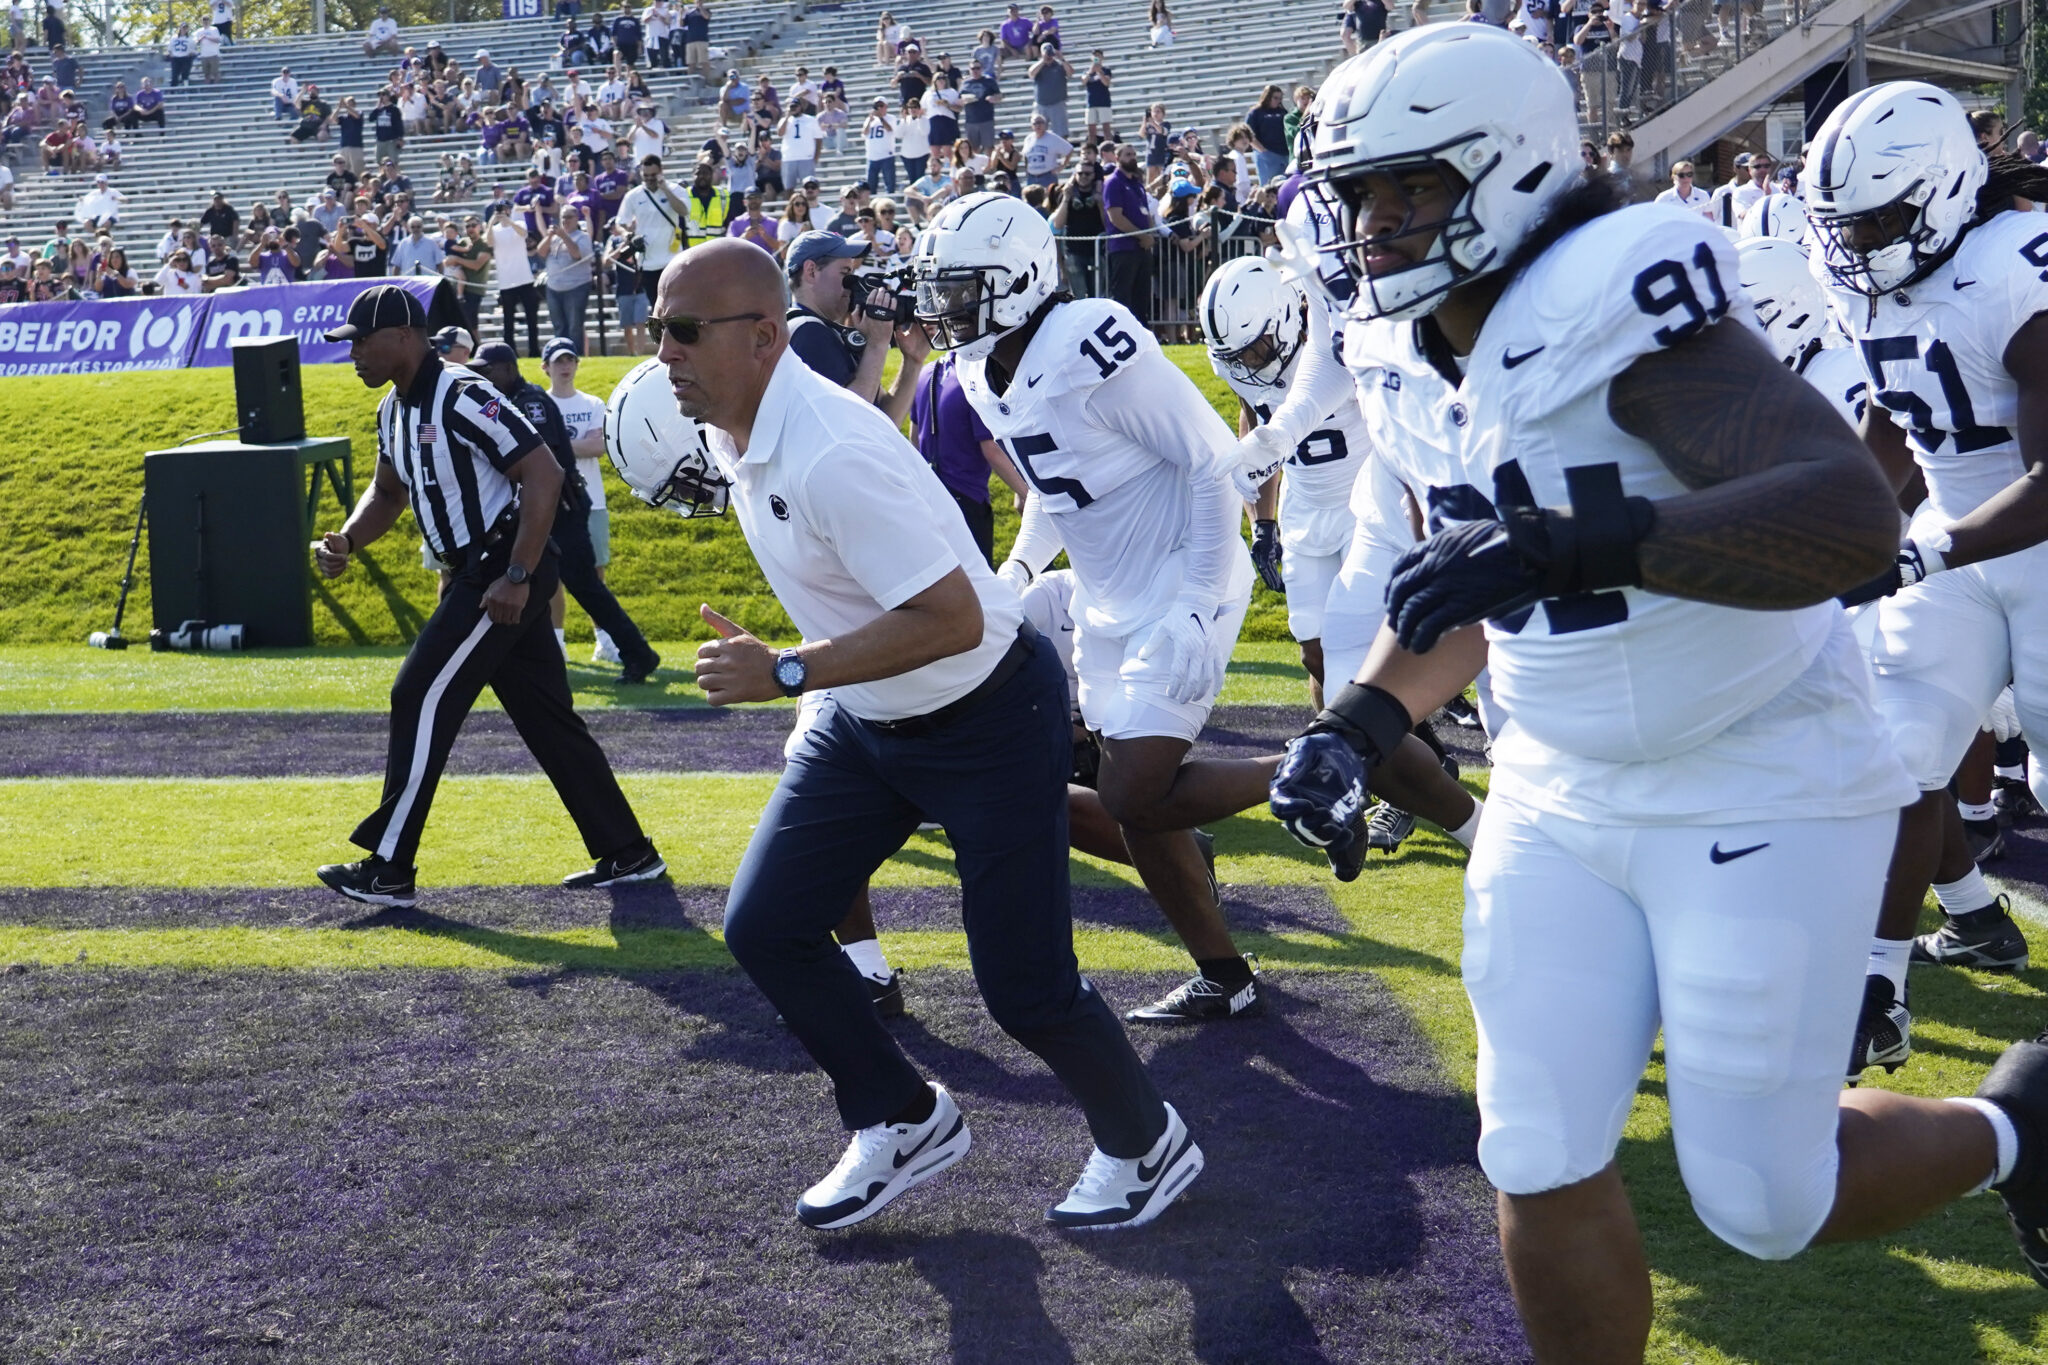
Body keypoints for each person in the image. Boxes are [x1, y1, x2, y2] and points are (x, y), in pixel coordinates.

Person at [1264, 31, 2048, 1358]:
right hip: (1559, 785)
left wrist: (1598, 536)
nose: (1376, 226)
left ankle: (2023, 1124)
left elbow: (1852, 520)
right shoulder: (1393, 349)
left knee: (1763, 1201)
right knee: (1533, 1149)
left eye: (1412, 191)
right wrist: (1359, 723)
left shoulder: (1602, 292)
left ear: (1507, 170)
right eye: (1360, 196)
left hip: (1760, 765)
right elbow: (1470, 595)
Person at [617, 237, 1204, 1232]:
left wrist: (789, 672)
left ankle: (1148, 1143)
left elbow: (953, 620)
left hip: (985, 712)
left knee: (1023, 988)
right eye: (653, 329)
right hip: (871, 717)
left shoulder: (831, 448)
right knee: (765, 926)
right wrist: (811, 676)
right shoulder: (732, 423)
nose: (659, 353)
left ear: (763, 337)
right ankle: (900, 1114)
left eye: (680, 332)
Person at [914, 192, 1284, 1022]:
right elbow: (1055, 483)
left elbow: (1214, 461)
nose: (945, 307)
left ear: (1016, 280)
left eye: (961, 288)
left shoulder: (1089, 340)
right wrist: (1016, 566)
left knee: (1131, 792)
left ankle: (1313, 767)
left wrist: (1196, 600)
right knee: (1141, 806)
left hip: (1186, 577)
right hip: (1107, 597)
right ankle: (1225, 975)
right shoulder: (980, 368)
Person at [1808, 85, 2048, 1074]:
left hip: (2025, 536)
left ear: (1945, 189)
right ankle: (1874, 990)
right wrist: (1833, 542)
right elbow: (1898, 420)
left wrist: (1919, 551)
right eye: (1846, 220)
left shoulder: (2014, 266)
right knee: (1890, 755)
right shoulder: (1877, 281)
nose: (1860, 239)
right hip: (1950, 536)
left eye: (1880, 216)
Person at [310, 286, 665, 911]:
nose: (355, 355)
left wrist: (519, 573)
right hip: (480, 571)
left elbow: (545, 472)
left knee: (416, 694)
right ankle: (628, 850)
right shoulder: (393, 409)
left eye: (362, 342)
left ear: (403, 336)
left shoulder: (463, 393)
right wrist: (348, 537)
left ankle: (390, 866)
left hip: (498, 569)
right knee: (548, 720)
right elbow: (387, 493)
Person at [472, 339, 662, 682]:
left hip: (559, 511)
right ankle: (520, 661)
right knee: (531, 585)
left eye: (488, 371)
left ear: (509, 370)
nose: (483, 378)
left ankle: (638, 654)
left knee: (585, 587)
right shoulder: (514, 400)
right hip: (546, 511)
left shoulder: (531, 405)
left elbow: (537, 464)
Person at [612, 153, 689, 311]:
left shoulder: (675, 189)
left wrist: (665, 190)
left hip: (672, 260)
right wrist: (628, 235)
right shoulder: (633, 195)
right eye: (645, 176)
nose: (649, 179)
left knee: (676, 306)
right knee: (657, 308)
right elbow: (620, 223)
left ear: (661, 171)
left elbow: (683, 211)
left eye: (653, 175)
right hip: (647, 262)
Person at [1101, 141, 1154, 324]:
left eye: (1134, 155)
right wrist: (1143, 236)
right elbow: (1116, 217)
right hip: (1123, 248)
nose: (1132, 158)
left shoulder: (1137, 183)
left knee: (1142, 298)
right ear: (1117, 158)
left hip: (1142, 248)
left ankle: (1143, 338)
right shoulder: (1113, 182)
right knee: (1123, 298)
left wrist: (1150, 234)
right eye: (1128, 155)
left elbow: (1145, 213)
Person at [539, 204, 593, 349]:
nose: (565, 220)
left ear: (576, 219)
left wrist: (564, 236)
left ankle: (575, 355)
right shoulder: (554, 238)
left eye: (569, 217)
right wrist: (550, 236)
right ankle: (561, 355)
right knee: (559, 326)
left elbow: (577, 254)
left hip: (576, 286)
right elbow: (541, 252)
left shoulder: (583, 237)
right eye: (563, 217)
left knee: (575, 326)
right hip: (554, 287)